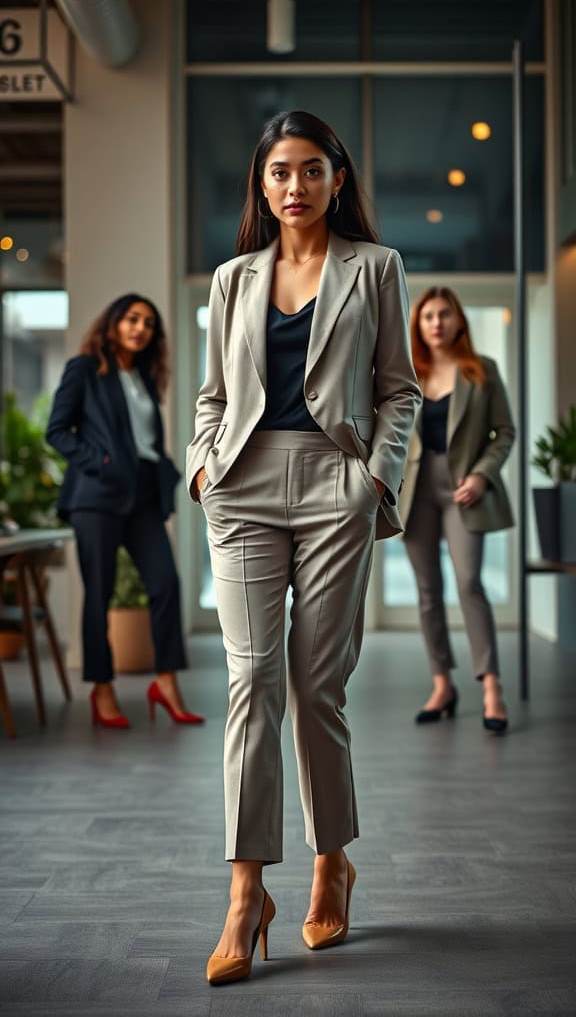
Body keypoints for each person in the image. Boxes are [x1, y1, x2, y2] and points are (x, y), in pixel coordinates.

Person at [186, 110, 421, 985]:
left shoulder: (377, 269)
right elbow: (213, 396)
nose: (294, 186)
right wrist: (203, 466)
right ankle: (247, 893)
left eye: (311, 170)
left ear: (337, 179)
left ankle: (332, 863)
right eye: (279, 171)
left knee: (317, 686)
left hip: (336, 483)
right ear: (262, 182)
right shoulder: (231, 279)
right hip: (242, 485)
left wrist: (374, 479)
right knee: (251, 682)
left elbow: (398, 391)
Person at [46, 293, 204, 729]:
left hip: (143, 496)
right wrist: (101, 461)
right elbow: (57, 431)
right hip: (96, 497)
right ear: (113, 322)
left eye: (149, 324)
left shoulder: (145, 378)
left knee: (166, 584)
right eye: (132, 319)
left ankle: (167, 682)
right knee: (99, 592)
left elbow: (145, 441)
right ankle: (102, 687)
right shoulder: (86, 369)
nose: (140, 328)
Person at [399, 287, 515, 734]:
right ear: (418, 325)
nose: (436, 323)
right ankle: (442, 684)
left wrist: (483, 474)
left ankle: (491, 687)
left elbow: (504, 431)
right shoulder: (406, 372)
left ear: (458, 320)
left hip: (465, 488)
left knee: (469, 583)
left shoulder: (481, 371)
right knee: (428, 592)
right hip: (416, 490)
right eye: (427, 316)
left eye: (444, 314)